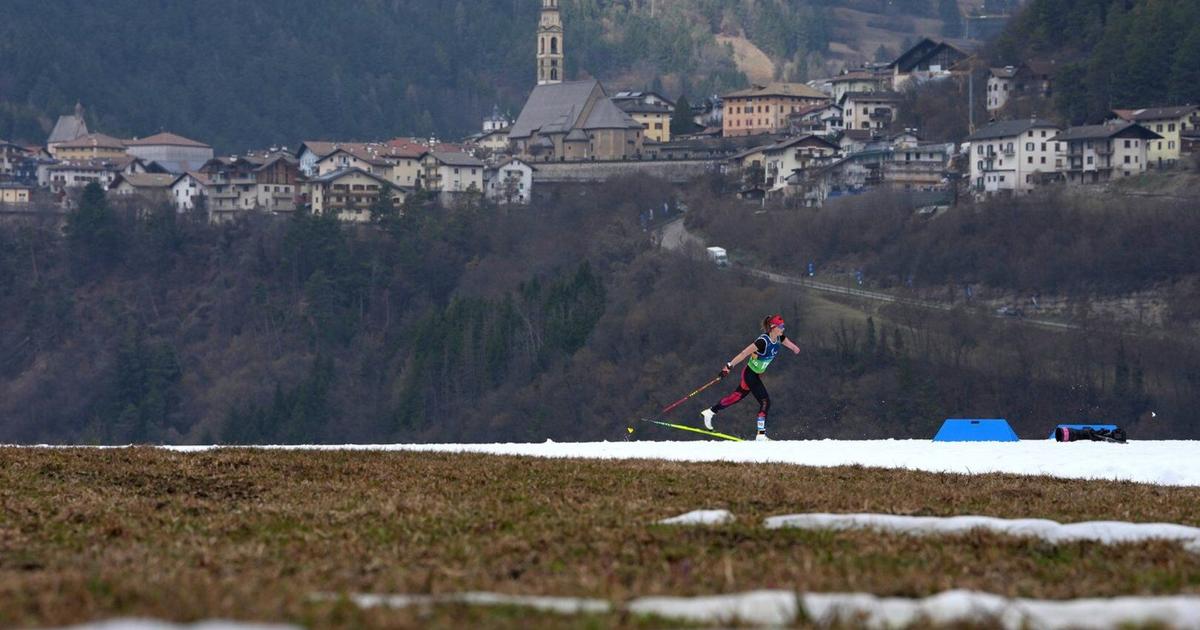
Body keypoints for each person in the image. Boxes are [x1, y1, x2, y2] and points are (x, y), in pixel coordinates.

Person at [701, 314, 800, 441]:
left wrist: (795, 348)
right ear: (772, 327)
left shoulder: (780, 337)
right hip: (750, 375)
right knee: (765, 402)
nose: (783, 329)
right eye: (780, 326)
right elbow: (743, 353)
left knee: (736, 397)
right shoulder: (762, 341)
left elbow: (790, 344)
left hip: (755, 374)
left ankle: (710, 412)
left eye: (783, 326)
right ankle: (761, 434)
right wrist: (728, 366)